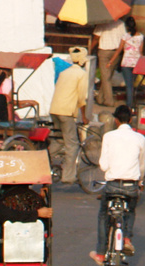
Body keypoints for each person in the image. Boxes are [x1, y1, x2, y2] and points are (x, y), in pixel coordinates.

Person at [90, 104, 144, 266]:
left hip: (112, 185)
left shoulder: (109, 136)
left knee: (103, 215)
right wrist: (140, 182)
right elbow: (141, 166)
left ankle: (100, 253)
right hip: (131, 186)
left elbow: (103, 165)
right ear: (131, 119)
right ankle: (126, 237)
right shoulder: (140, 138)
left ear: (115, 120)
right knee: (131, 209)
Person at [49, 47, 90, 187]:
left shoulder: (64, 72)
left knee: (59, 139)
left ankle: (44, 160)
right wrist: (84, 116)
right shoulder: (81, 74)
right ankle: (68, 176)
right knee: (72, 145)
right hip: (66, 112)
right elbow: (82, 98)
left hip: (54, 110)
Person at [94, 19, 125, 107]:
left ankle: (109, 100)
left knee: (106, 77)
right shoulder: (121, 24)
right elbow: (124, 38)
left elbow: (96, 37)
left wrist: (90, 48)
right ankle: (100, 98)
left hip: (104, 51)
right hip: (116, 52)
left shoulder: (102, 23)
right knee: (107, 76)